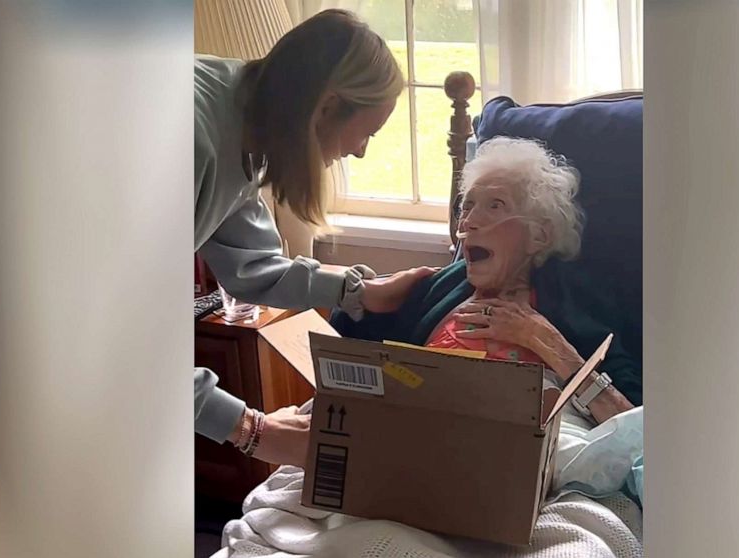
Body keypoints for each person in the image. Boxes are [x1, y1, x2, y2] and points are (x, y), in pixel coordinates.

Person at [193, 9, 434, 468]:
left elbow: (251, 266)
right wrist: (251, 430)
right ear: (326, 107)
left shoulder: (247, 128)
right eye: (367, 132)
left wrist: (358, 291)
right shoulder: (190, 138)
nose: (360, 151)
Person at [334, 137, 641, 423]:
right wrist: (368, 293)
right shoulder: (437, 289)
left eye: (495, 205)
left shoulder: (577, 302)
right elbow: (348, 353)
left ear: (539, 235)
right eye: (467, 206)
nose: (469, 221)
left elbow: (633, 430)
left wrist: (547, 342)